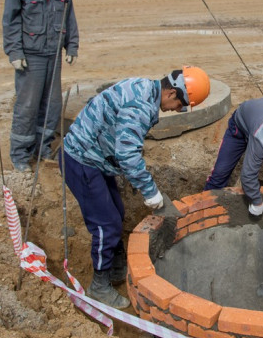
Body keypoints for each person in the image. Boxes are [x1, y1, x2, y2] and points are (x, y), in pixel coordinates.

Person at [61, 66, 211, 309]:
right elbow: (127, 155)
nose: (178, 109)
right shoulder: (141, 107)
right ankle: (99, 286)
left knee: (117, 212)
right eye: (181, 104)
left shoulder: (145, 87)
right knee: (106, 224)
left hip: (96, 157)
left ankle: (116, 266)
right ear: (171, 93)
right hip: (82, 160)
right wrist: (150, 191)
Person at [2, 0, 79, 173]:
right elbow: (10, 21)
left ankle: (43, 147)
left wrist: (72, 45)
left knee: (51, 105)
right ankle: (20, 155)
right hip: (31, 55)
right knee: (27, 105)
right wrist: (14, 52)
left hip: (53, 53)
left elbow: (69, 15)